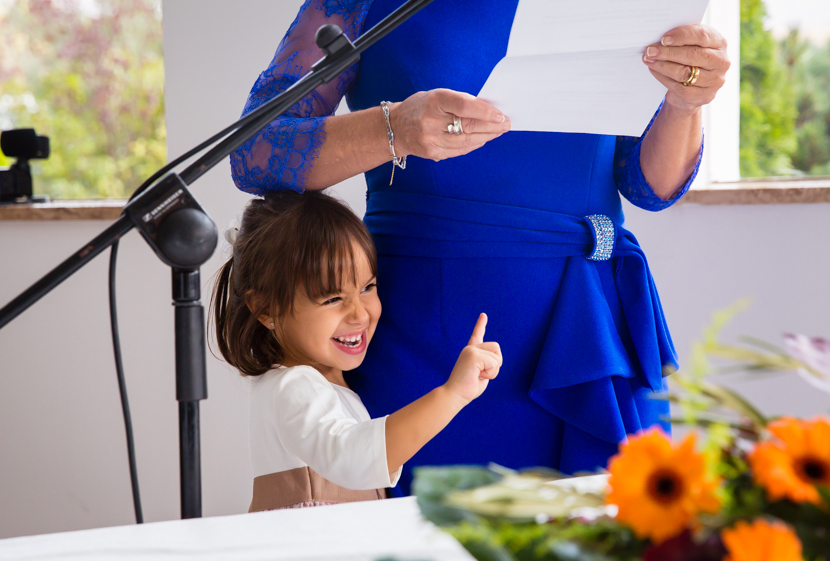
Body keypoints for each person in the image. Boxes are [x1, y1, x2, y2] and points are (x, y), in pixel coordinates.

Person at [230, 1, 731, 494]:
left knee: (604, 557)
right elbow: (255, 152)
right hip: (435, 338)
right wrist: (395, 128)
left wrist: (685, 103)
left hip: (590, 330)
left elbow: (649, 187)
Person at [211, 190, 503, 511]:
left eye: (367, 288)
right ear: (265, 308)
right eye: (332, 299)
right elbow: (353, 459)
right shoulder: (293, 386)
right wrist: (452, 395)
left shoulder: (323, 381)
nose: (359, 314)